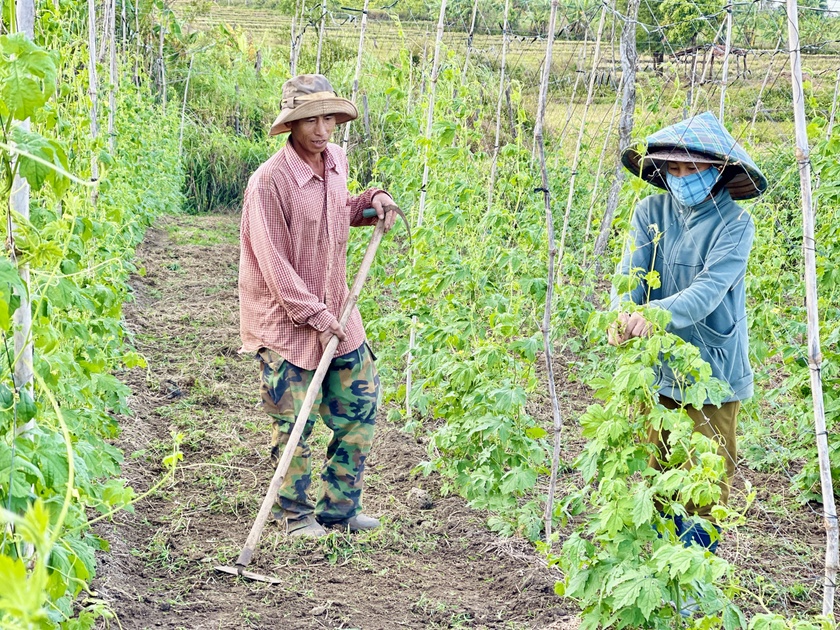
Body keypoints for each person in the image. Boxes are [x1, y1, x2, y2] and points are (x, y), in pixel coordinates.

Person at [238, 74, 397, 537]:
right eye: (310, 119)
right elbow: (274, 266)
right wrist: (319, 318)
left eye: (328, 117)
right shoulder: (267, 183)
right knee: (293, 424)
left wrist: (372, 203)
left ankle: (339, 510)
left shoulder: (337, 161)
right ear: (291, 124)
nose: (321, 129)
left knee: (360, 404)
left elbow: (337, 210)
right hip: (285, 321)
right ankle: (296, 515)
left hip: (337, 308)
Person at [609, 111, 767, 552]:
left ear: (718, 170)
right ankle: (662, 569)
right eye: (672, 169)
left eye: (692, 169)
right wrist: (620, 315)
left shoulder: (735, 224)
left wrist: (653, 315)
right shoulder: (651, 211)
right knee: (658, 470)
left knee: (704, 479)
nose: (681, 177)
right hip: (655, 365)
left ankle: (695, 581)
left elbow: (708, 292)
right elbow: (631, 275)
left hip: (712, 371)